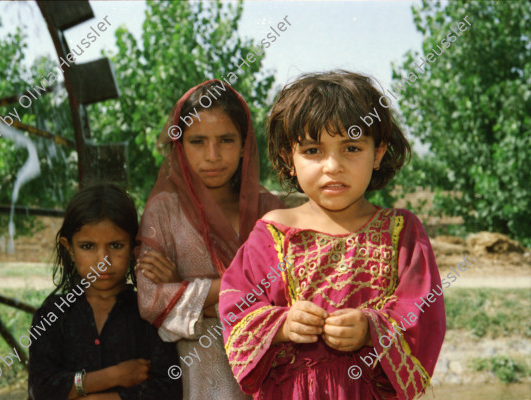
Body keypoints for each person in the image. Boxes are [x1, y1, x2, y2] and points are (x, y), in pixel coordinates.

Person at [219, 71, 446, 400]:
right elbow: (235, 309)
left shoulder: (401, 231)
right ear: (288, 158)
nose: (332, 166)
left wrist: (371, 329)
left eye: (351, 148)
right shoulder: (272, 233)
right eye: (312, 150)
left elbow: (425, 315)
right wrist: (282, 326)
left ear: (378, 153)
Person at [135, 79, 284, 399]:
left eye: (226, 140)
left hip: (266, 368)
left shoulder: (269, 211)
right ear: (180, 144)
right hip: (195, 371)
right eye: (198, 141)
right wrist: (239, 293)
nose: (213, 155)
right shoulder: (164, 211)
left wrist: (188, 290)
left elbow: (286, 292)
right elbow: (149, 300)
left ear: (245, 144)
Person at [28, 184, 182, 400]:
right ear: (69, 248)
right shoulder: (53, 314)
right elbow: (41, 389)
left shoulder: (149, 310)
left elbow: (168, 389)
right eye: (88, 246)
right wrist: (114, 376)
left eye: (116, 245)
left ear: (133, 247)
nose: (103, 261)